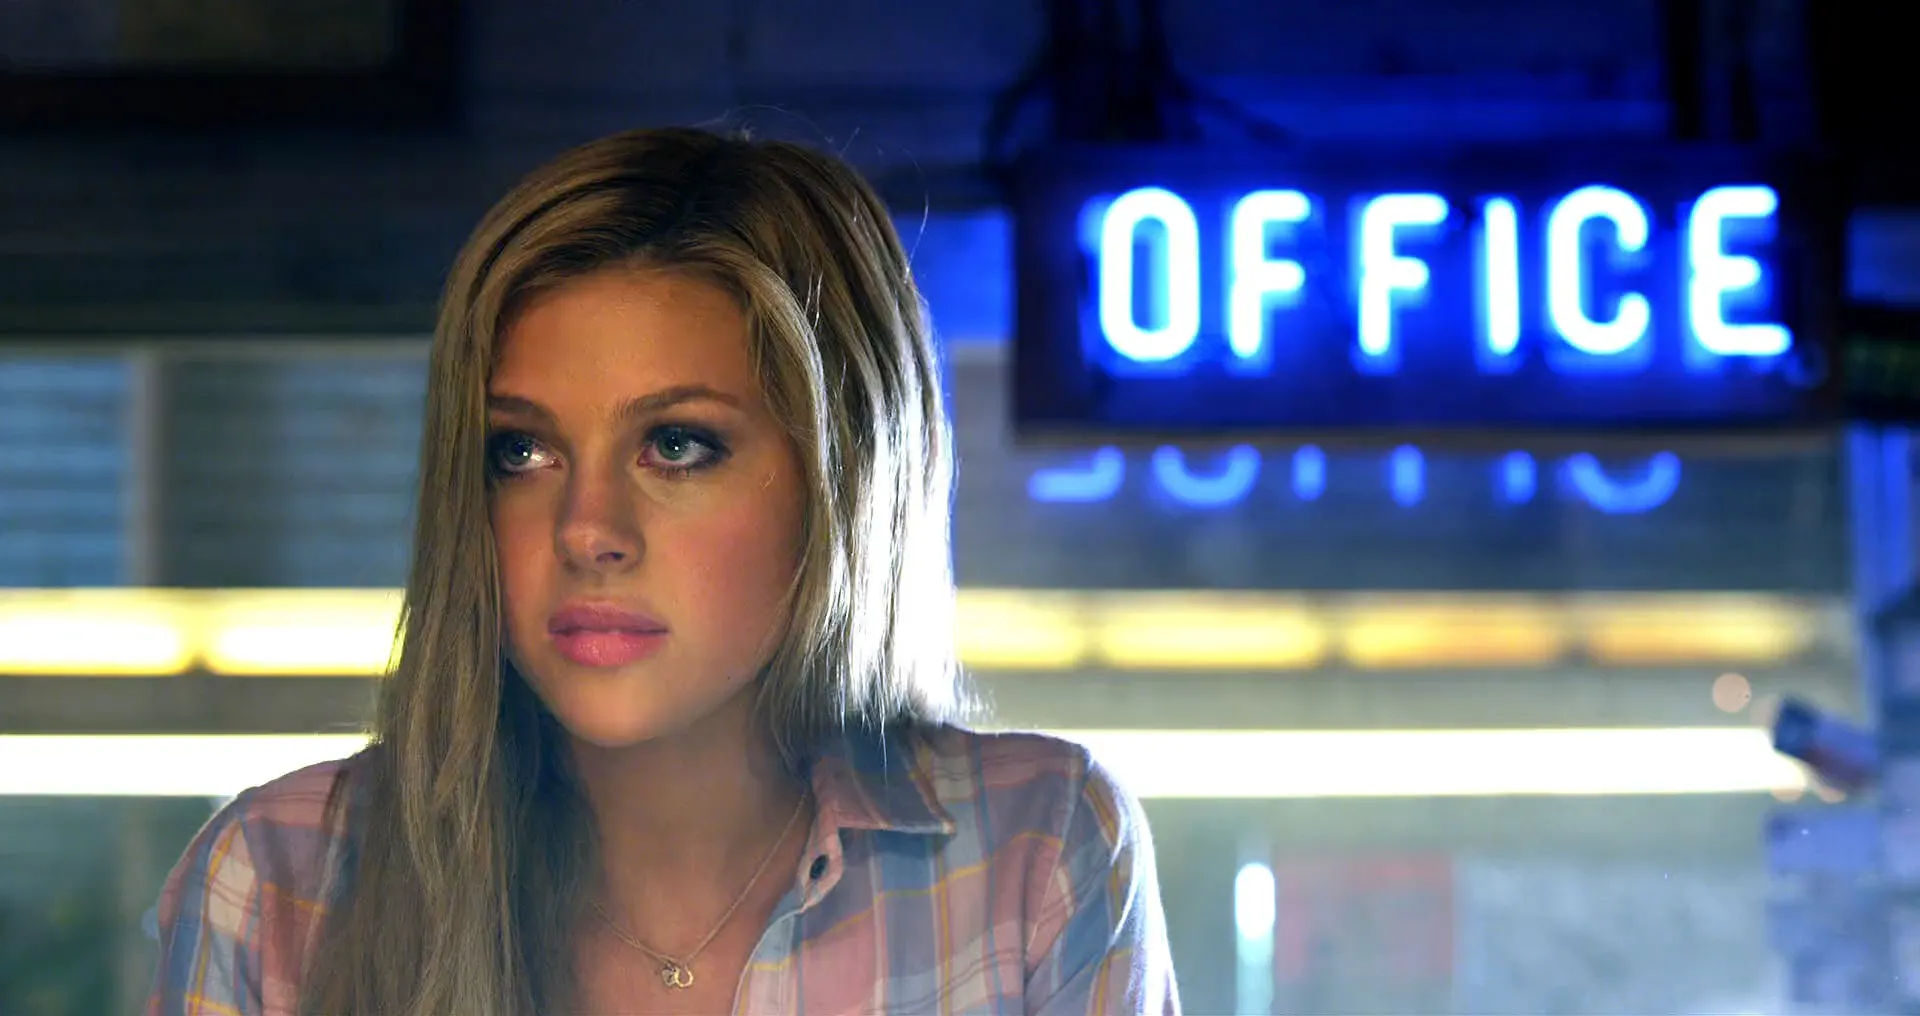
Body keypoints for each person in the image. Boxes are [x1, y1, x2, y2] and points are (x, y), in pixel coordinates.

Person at [145, 126, 1180, 1015]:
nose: (587, 530)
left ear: (845, 476)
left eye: (677, 445)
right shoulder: (279, 884)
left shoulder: (1034, 850)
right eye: (521, 451)